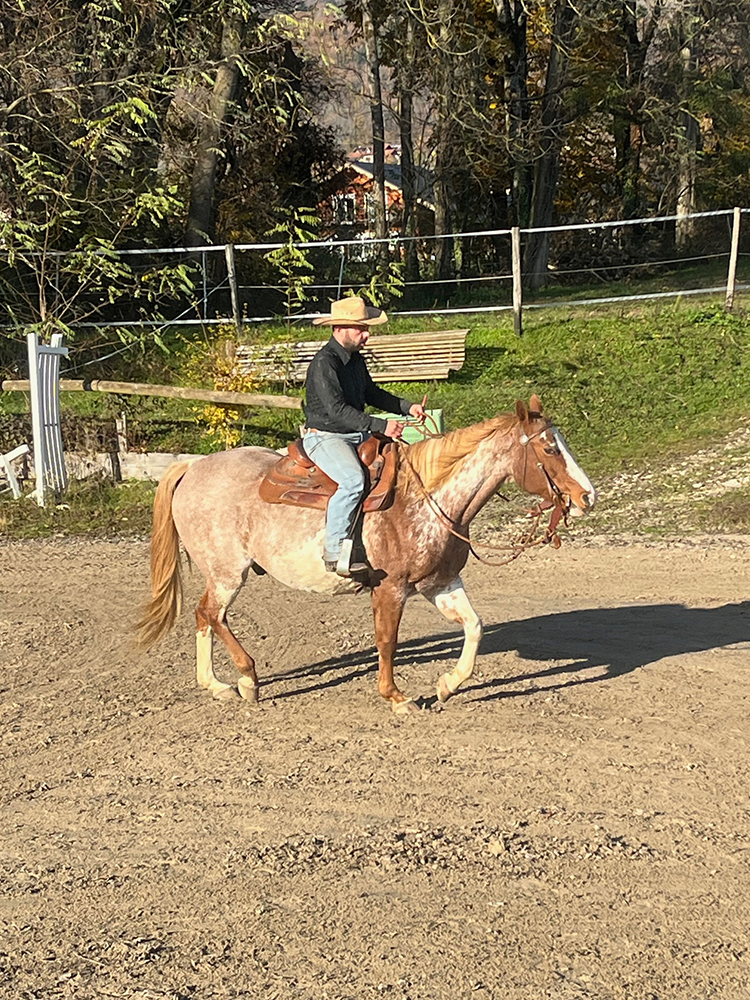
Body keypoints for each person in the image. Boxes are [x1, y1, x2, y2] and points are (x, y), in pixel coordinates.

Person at [303, 296, 426, 576]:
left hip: (354, 434)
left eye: (366, 329)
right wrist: (380, 426)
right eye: (361, 329)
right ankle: (334, 551)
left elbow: (371, 393)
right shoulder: (325, 363)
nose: (367, 335)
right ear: (340, 328)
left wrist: (406, 407)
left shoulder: (354, 360)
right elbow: (335, 410)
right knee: (352, 481)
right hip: (326, 436)